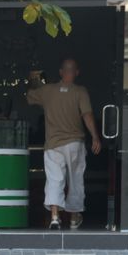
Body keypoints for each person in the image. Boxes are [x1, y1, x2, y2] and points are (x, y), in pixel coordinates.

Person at [27, 59, 102, 230]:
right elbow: (87, 114)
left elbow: (29, 96)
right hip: (75, 143)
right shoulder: (80, 92)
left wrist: (33, 80)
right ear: (76, 72)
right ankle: (74, 217)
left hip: (53, 145)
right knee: (75, 180)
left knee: (54, 180)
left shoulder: (47, 91)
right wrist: (95, 137)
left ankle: (54, 217)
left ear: (61, 72)